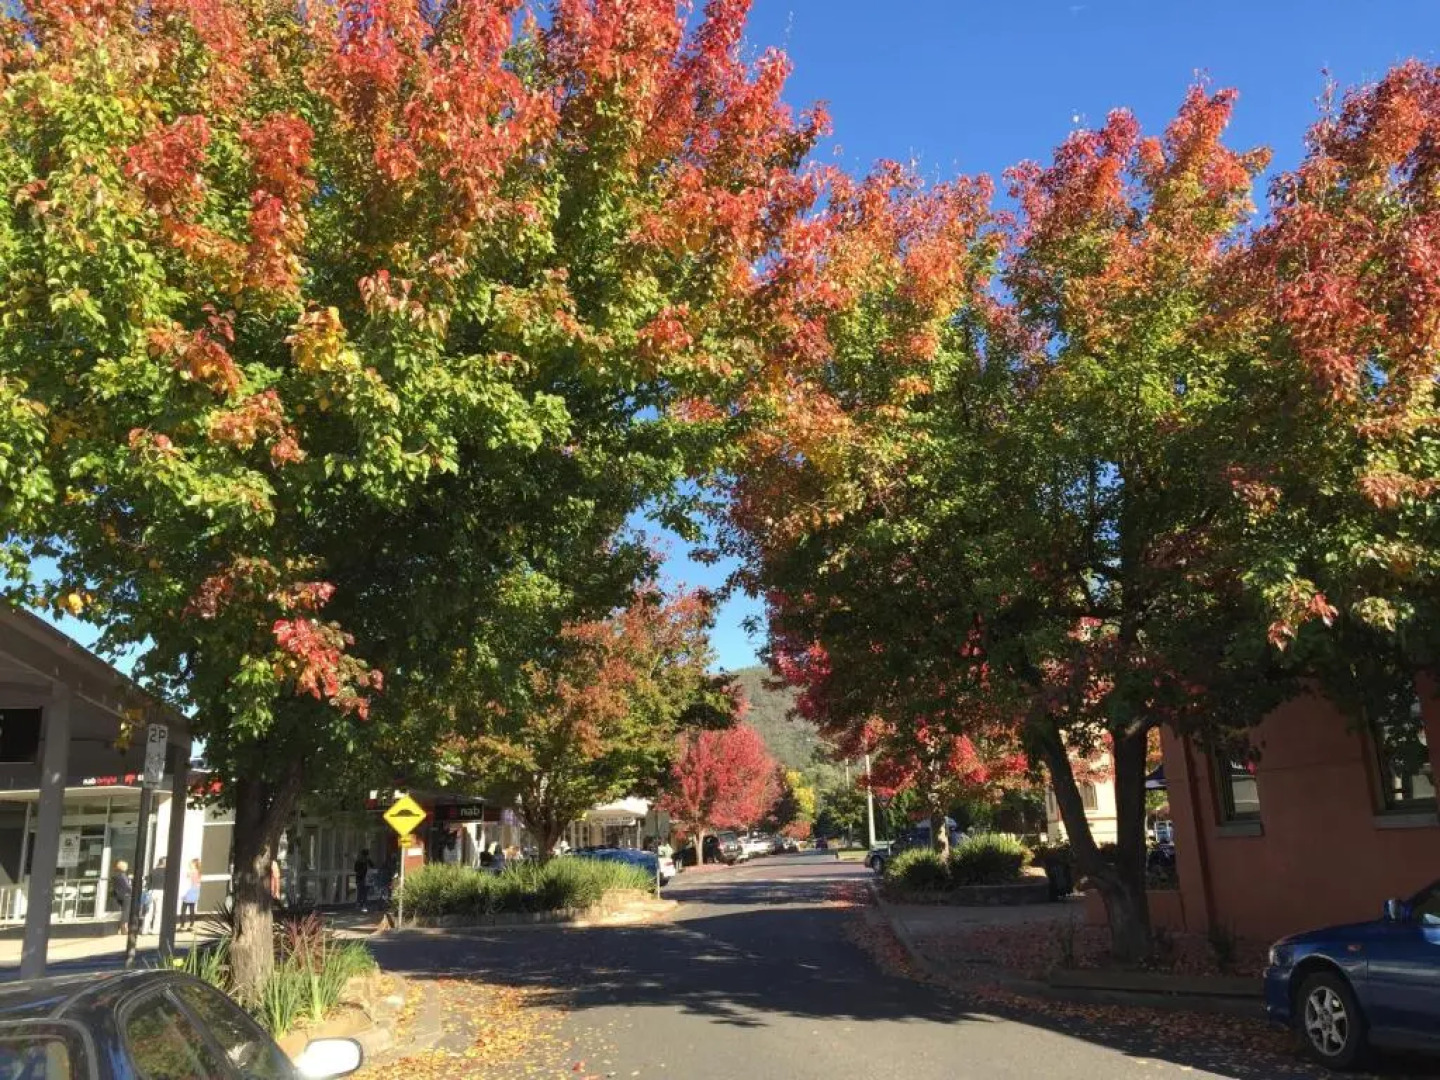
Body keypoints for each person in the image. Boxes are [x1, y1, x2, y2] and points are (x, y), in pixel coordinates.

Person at [141, 857, 166, 936]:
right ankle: (155, 930)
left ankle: (144, 930)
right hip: (161, 891)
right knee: (158, 912)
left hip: (151, 891)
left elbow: (147, 882)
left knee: (149, 911)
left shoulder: (153, 871)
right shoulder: (166, 872)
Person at [109, 859, 132, 934]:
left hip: (117, 895)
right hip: (125, 895)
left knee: (119, 910)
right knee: (126, 911)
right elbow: (127, 886)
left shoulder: (115, 874)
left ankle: (118, 927)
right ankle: (124, 927)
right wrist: (131, 890)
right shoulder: (122, 875)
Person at [180, 858, 201, 930]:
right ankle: (191, 925)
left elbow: (186, 882)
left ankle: (182, 925)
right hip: (195, 891)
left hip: (189, 891)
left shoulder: (191, 873)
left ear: (194, 864)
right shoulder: (199, 873)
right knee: (192, 909)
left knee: (183, 909)